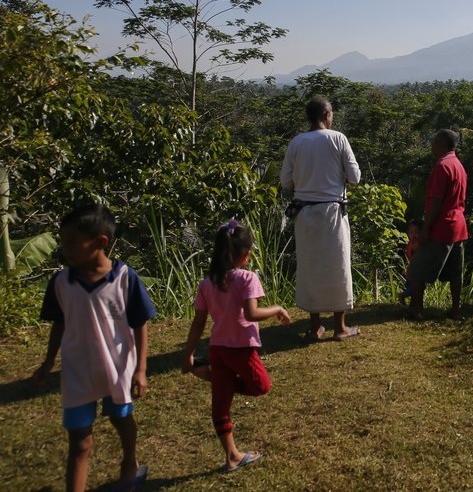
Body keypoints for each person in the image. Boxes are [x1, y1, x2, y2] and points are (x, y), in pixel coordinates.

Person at [33, 203, 157, 492]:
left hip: (117, 367)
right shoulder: (62, 283)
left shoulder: (125, 277)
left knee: (120, 418)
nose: (66, 250)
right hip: (77, 371)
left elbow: (140, 323)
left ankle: (130, 462)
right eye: (63, 243)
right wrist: (48, 362)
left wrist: (141, 368)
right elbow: (59, 324)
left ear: (101, 242)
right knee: (79, 441)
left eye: (73, 243)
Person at [181, 220, 291, 472]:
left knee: (221, 405)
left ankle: (231, 455)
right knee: (261, 386)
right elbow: (251, 314)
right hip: (241, 349)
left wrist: (188, 354)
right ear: (245, 254)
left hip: (217, 349)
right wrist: (278, 309)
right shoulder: (246, 278)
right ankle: (231, 453)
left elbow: (198, 323)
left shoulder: (207, 282)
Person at [280, 95, 362, 341]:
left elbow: (286, 181)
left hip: (305, 213)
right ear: (327, 115)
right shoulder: (338, 138)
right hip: (333, 212)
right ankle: (340, 327)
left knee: (310, 267)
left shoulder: (296, 143)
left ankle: (315, 327)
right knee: (338, 266)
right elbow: (355, 177)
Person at [408, 129, 469, 320]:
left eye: (434, 141)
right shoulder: (458, 165)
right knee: (454, 272)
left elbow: (436, 200)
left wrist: (426, 228)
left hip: (442, 226)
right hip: (458, 225)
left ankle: (416, 310)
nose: (431, 144)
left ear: (442, 143)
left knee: (416, 269)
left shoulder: (442, 166)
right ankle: (455, 309)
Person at [397, 219, 423, 306]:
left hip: (414, 270)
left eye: (416, 232)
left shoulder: (413, 243)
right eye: (411, 233)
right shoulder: (413, 244)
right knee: (415, 288)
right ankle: (402, 295)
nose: (413, 235)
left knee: (416, 288)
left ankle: (411, 304)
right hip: (413, 271)